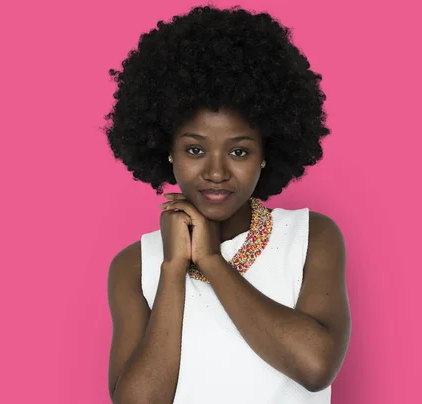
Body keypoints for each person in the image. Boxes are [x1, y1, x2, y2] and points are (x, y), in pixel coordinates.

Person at [103, 5, 351, 404]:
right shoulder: (136, 265)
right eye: (195, 148)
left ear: (266, 154)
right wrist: (173, 269)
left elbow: (314, 367)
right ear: (167, 149)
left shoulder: (310, 236)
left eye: (238, 152)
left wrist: (212, 261)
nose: (216, 172)